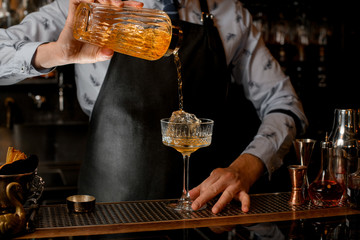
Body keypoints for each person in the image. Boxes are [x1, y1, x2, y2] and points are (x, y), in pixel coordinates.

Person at [0, 0, 308, 214]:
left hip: (207, 216)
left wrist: (247, 167)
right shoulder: (87, 9)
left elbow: (286, 105)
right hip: (107, 217)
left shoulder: (229, 14)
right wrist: (55, 53)